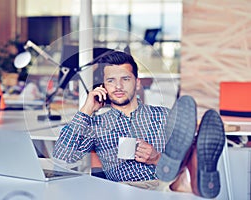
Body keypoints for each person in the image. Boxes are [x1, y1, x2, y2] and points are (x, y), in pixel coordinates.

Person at [53, 50, 225, 198]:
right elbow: (62, 157)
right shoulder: (96, 124)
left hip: (162, 182)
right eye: (111, 80)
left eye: (125, 79)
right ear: (103, 86)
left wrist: (157, 159)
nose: (118, 86)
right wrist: (87, 109)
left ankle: (186, 176)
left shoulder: (163, 116)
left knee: (180, 173)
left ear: (137, 84)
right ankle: (186, 181)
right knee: (179, 189)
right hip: (123, 189)